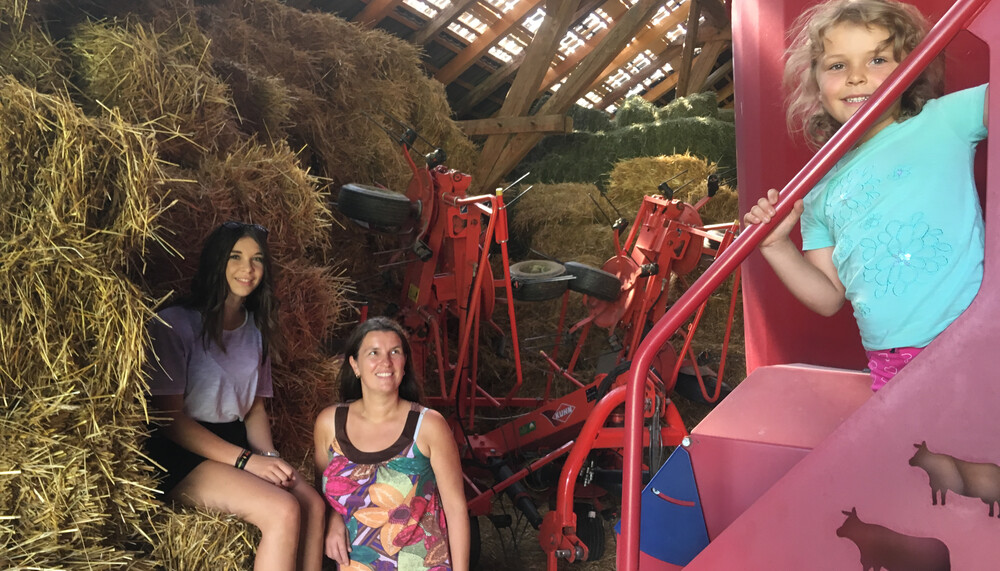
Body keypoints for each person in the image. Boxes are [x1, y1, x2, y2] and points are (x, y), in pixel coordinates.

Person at [744, 0, 988, 391]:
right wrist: (775, 246)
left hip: (975, 335)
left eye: (878, 60)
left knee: (978, 445)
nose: (857, 77)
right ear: (817, 84)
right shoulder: (817, 191)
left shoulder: (946, 120)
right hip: (892, 359)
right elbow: (827, 298)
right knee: (915, 451)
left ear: (912, 69)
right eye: (838, 65)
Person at [145, 221, 325, 570]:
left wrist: (270, 456)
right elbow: (169, 420)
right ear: (217, 262)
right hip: (182, 451)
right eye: (236, 257)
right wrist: (247, 461)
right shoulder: (175, 324)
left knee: (312, 505)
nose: (248, 269)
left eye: (257, 259)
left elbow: (254, 406)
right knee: (282, 510)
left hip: (236, 440)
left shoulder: (255, 328)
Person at [314, 317, 470, 570]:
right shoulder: (329, 423)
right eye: (373, 352)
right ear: (354, 364)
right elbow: (323, 491)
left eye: (394, 352)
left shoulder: (428, 426)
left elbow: (456, 509)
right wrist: (334, 520)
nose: (385, 362)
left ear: (404, 363)